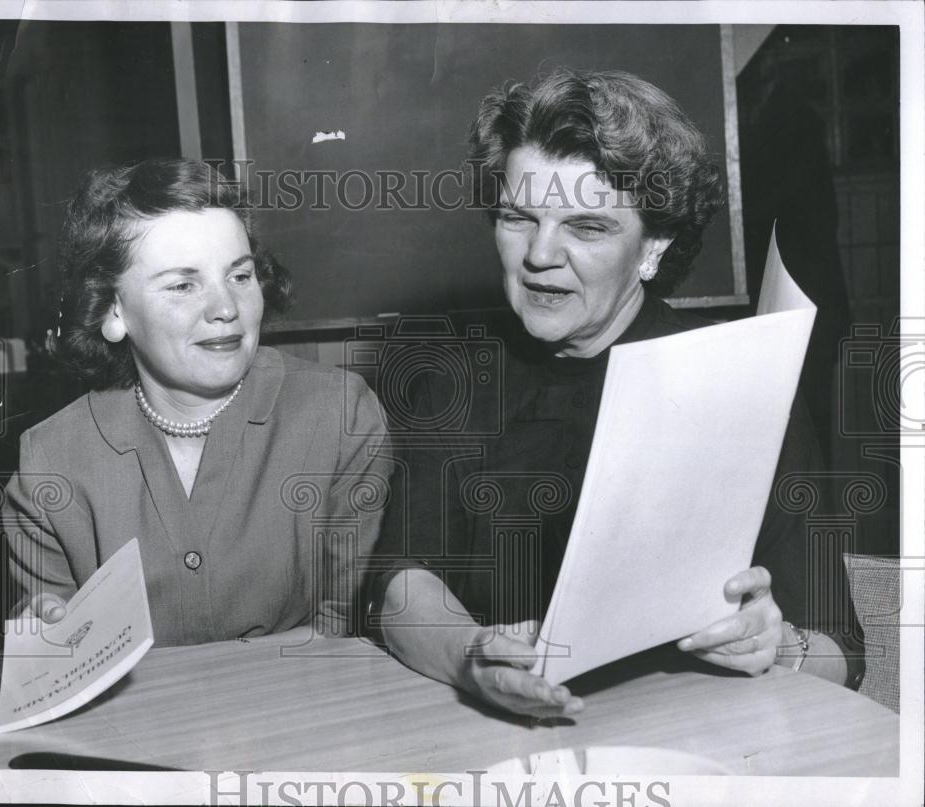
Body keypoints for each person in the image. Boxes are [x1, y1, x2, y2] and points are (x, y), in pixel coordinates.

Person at [369, 69, 865, 718]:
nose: (540, 254)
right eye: (519, 217)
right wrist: (474, 656)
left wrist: (781, 645)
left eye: (588, 227)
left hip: (693, 741)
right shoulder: (451, 377)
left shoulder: (736, 380)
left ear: (653, 247)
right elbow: (399, 585)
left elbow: (842, 649)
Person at [2, 159, 391, 645]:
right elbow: (58, 658)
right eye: (183, 285)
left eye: (240, 276)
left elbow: (349, 623)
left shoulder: (339, 414)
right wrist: (43, 633)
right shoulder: (49, 461)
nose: (226, 308)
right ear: (112, 311)